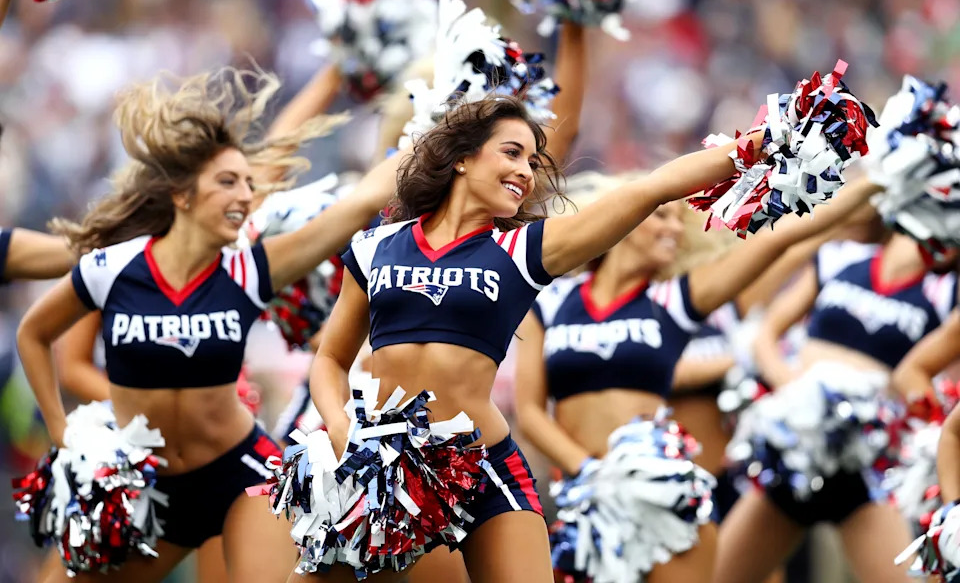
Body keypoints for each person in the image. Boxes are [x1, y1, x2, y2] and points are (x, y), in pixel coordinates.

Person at [296, 84, 835, 581]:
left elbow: (652, 189)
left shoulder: (523, 249)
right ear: (461, 157)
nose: (526, 172)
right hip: (380, 465)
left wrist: (767, 140)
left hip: (481, 464)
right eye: (512, 153)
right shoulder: (375, 246)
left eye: (533, 162)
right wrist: (343, 433)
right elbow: (330, 361)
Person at [16, 66, 400, 583]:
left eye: (248, 183)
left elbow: (359, 205)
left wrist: (435, 139)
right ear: (182, 195)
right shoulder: (111, 267)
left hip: (239, 476)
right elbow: (34, 334)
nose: (244, 195)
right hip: (146, 484)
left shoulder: (250, 269)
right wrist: (61, 431)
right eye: (227, 182)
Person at [513, 172, 882, 582]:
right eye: (662, 215)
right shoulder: (552, 299)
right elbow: (530, 412)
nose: (674, 229)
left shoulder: (673, 300)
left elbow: (778, 241)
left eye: (679, 220)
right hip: (587, 499)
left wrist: (874, 181)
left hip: (663, 498)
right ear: (624, 216)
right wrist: (590, 472)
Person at [711, 226, 959, 583]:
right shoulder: (841, 257)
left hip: (868, 471)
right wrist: (796, 393)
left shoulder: (947, 290)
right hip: (794, 458)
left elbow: (930, 380)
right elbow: (767, 332)